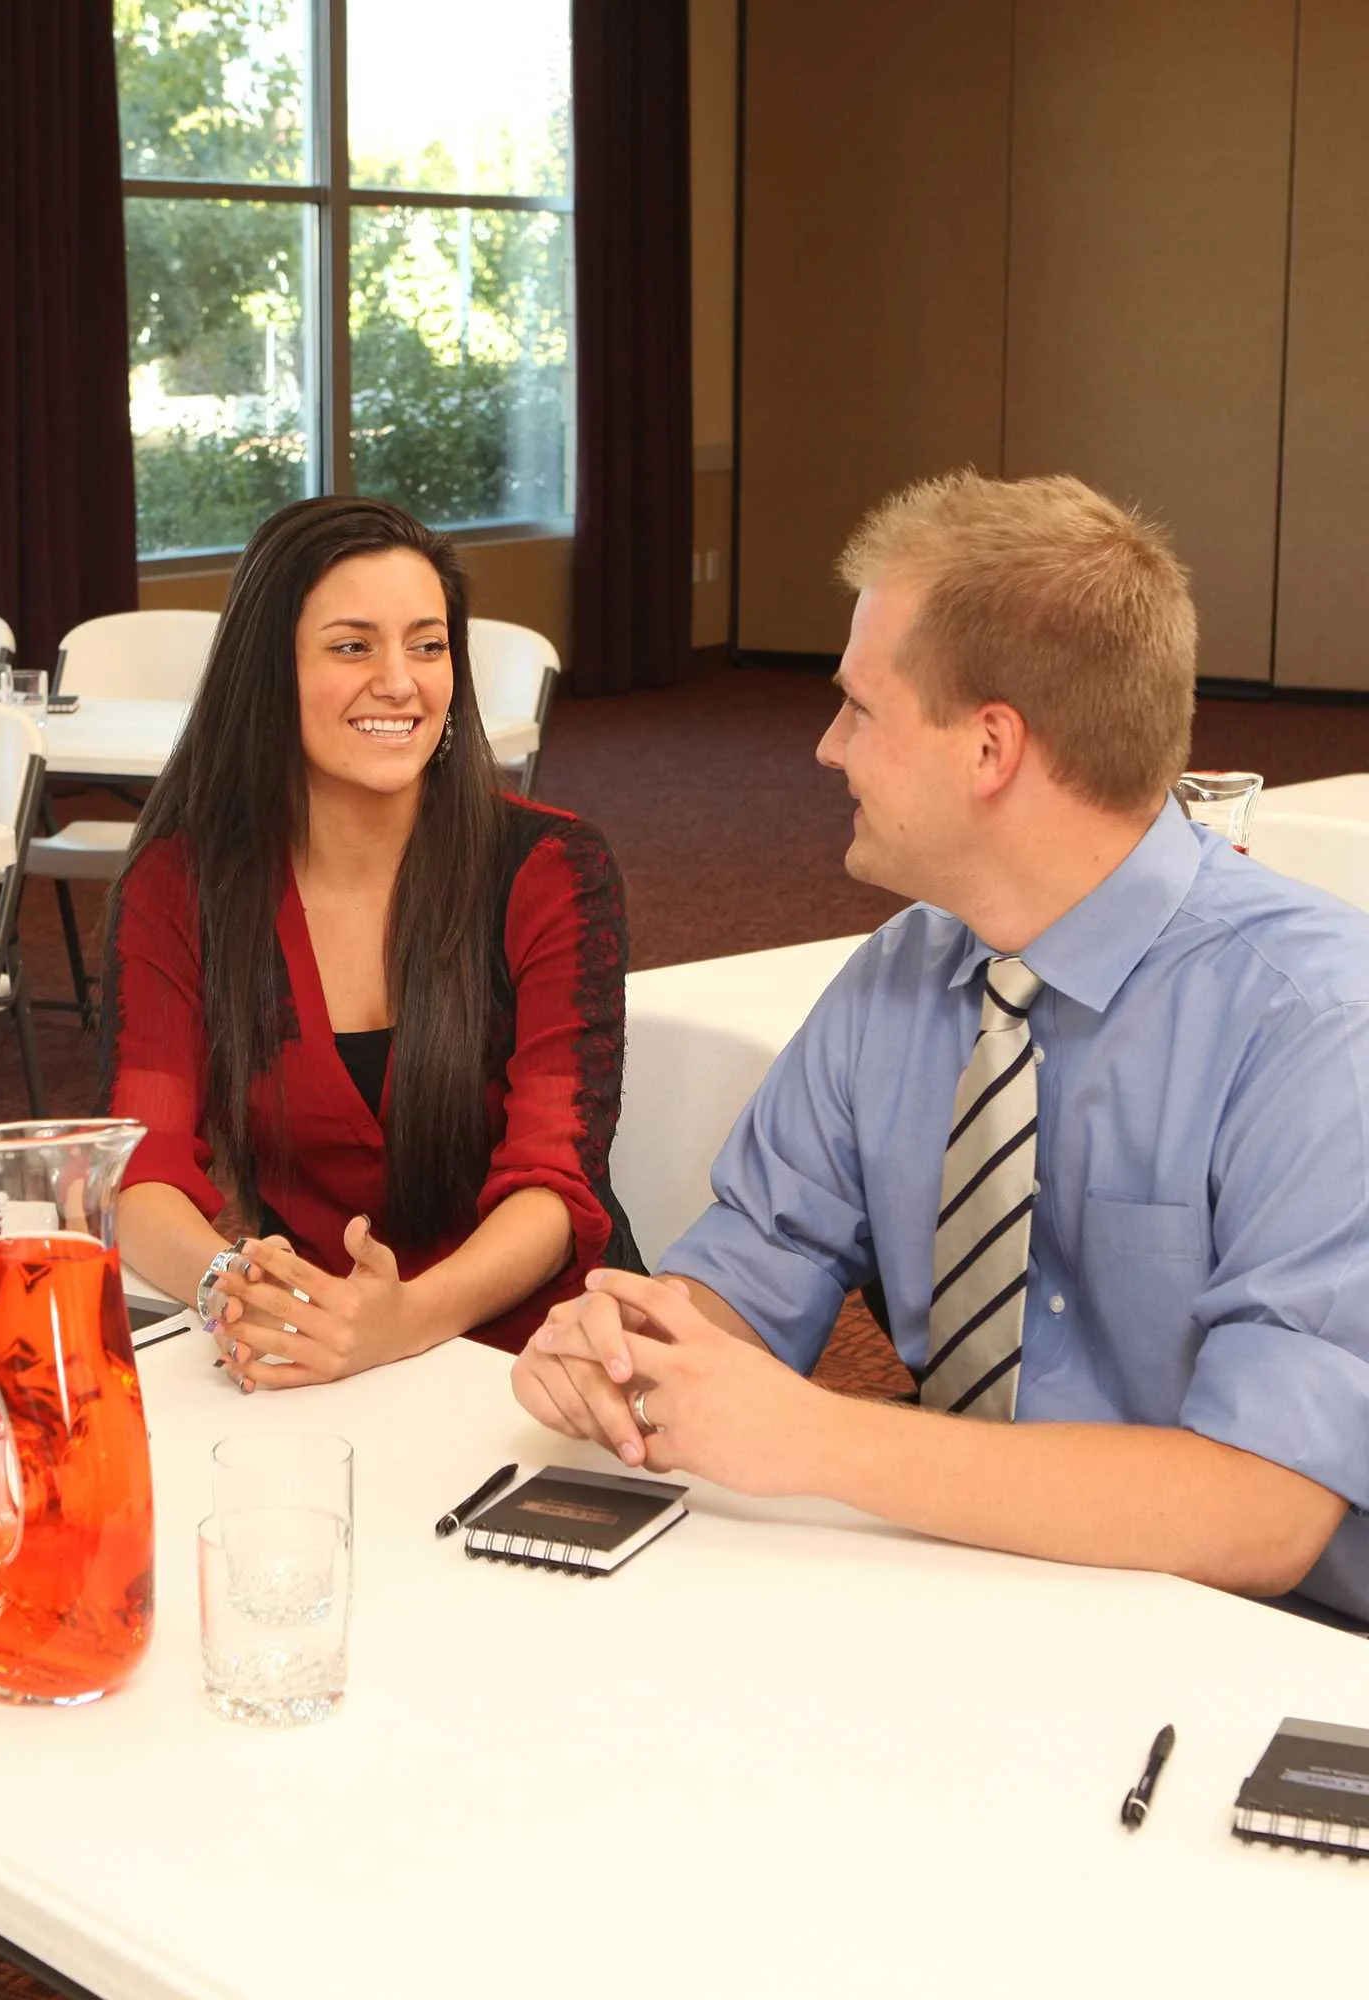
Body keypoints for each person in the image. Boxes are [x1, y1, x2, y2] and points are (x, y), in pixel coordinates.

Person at [514, 469, 1369, 1626]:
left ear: (988, 749)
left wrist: (811, 1434)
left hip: (1257, 1652)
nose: (825, 748)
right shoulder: (903, 973)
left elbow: (1263, 1513)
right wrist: (632, 1342)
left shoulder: (1317, 1024)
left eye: (858, 707)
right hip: (955, 1590)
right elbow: (751, 1262)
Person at [100, 494, 639, 1387]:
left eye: (427, 646)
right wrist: (227, 1289)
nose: (400, 682)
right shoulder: (180, 883)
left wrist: (403, 1321)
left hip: (541, 1360)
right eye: (353, 646)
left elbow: (556, 1176)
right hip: (307, 1345)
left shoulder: (551, 866)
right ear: (268, 670)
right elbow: (140, 1164)